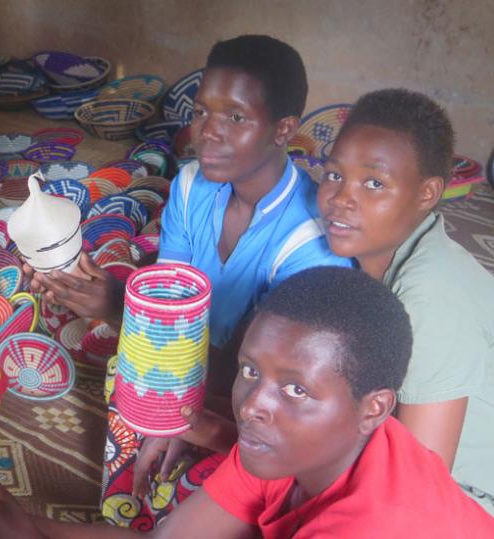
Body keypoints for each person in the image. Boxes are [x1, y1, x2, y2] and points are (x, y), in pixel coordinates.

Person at [0, 266, 494, 538]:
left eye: (296, 388)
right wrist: (19, 527)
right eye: (247, 370)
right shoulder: (292, 443)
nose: (252, 404)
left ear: (374, 408)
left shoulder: (376, 524)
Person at [28, 35, 351, 528]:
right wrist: (110, 303)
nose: (209, 133)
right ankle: (132, 509)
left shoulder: (309, 244)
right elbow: (167, 300)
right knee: (129, 381)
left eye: (236, 118)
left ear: (284, 129)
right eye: (202, 112)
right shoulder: (189, 186)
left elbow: (269, 384)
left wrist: (123, 314)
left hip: (258, 405)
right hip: (188, 367)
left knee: (209, 488)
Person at [317, 88, 494, 514]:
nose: (342, 198)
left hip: (469, 501)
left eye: (374, 183)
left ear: (428, 193)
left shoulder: (431, 297)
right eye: (335, 174)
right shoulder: (376, 261)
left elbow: (420, 489)